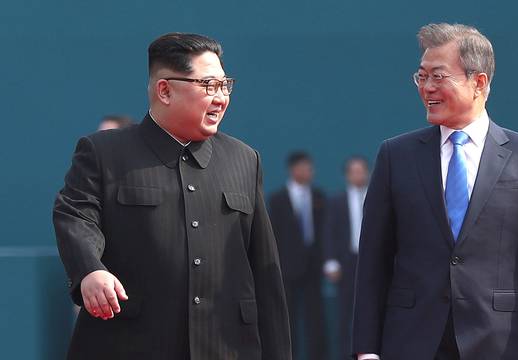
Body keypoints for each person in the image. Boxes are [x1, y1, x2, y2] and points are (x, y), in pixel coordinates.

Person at [53, 33, 291, 360]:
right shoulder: (104, 152)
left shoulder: (244, 160)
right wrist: (89, 270)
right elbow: (76, 217)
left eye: (225, 85)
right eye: (208, 85)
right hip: (129, 345)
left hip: (226, 348)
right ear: (165, 90)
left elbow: (265, 274)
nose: (220, 97)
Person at [352, 23, 518, 360]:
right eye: (421, 76)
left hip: (502, 343)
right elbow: (373, 259)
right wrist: (366, 350)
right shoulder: (395, 156)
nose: (427, 87)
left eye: (438, 77)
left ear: (479, 82)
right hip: (412, 341)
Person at [268, 151, 327, 360]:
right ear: (293, 169)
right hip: (287, 267)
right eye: (303, 167)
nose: (308, 172)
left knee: (315, 317)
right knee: (288, 316)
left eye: (310, 168)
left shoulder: (319, 196)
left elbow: (325, 232)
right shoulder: (277, 200)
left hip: (313, 266)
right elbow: (272, 234)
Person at [323, 156, 369, 359]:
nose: (358, 175)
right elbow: (329, 232)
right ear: (347, 175)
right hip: (347, 262)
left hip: (371, 262)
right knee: (345, 313)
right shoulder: (336, 201)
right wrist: (331, 262)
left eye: (361, 171)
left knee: (371, 311)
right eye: (354, 171)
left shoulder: (376, 197)